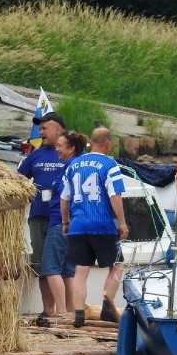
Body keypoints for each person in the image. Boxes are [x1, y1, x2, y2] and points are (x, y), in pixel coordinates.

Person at [60, 127, 129, 328]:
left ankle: (79, 314)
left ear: (91, 142)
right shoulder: (110, 164)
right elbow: (114, 195)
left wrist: (65, 222)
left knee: (80, 270)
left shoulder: (73, 165)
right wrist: (122, 222)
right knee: (117, 265)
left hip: (79, 224)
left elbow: (64, 198)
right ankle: (108, 305)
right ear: (108, 144)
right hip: (102, 225)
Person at [17, 111, 67, 327]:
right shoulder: (35, 155)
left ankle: (64, 312)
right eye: (40, 128)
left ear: (58, 129)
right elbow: (19, 178)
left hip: (61, 219)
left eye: (45, 128)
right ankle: (48, 311)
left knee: (59, 266)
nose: (41, 132)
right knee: (41, 264)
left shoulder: (68, 154)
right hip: (38, 216)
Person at [36, 131, 87, 326]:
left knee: (50, 266)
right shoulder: (79, 166)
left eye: (60, 146)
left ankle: (61, 313)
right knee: (67, 270)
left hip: (60, 221)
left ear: (71, 148)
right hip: (74, 224)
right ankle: (72, 313)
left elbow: (65, 196)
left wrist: (64, 221)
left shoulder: (69, 167)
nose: (56, 149)